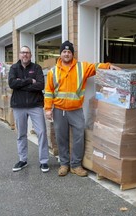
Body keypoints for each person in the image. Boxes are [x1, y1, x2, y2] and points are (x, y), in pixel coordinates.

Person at [44, 40, 121, 177]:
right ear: (60, 54)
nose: (66, 54)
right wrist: (48, 109)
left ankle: (76, 165)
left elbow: (96, 66)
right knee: (62, 138)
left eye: (69, 52)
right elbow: (49, 91)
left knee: (79, 137)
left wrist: (108, 66)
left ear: (72, 54)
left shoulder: (81, 67)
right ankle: (64, 164)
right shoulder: (53, 72)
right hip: (59, 110)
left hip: (76, 110)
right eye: (64, 51)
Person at [8, 45, 50, 173]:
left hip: (35, 105)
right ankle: (23, 160)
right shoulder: (14, 68)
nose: (25, 55)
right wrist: (29, 81)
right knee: (21, 134)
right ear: (19, 55)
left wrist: (21, 84)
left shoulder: (36, 68)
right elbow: (12, 84)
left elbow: (40, 85)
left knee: (42, 132)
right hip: (19, 106)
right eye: (22, 52)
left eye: (27, 53)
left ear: (31, 55)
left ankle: (44, 161)